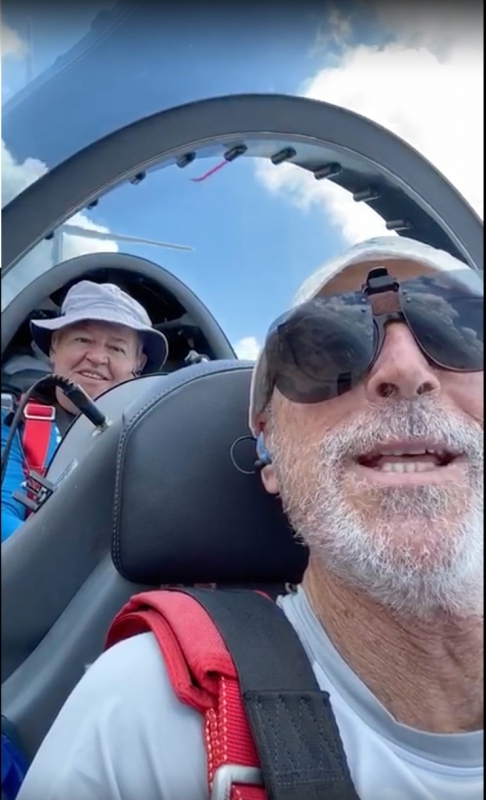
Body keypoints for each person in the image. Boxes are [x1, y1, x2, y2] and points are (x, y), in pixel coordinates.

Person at [17, 237, 483, 800]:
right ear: (269, 451)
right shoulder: (145, 715)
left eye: (462, 332)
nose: (406, 370)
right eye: (330, 351)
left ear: (138, 361)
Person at [1, 280, 168, 543]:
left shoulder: (157, 442)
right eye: (83, 339)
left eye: (116, 348)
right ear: (54, 346)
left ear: (138, 364)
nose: (97, 357)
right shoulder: (13, 422)